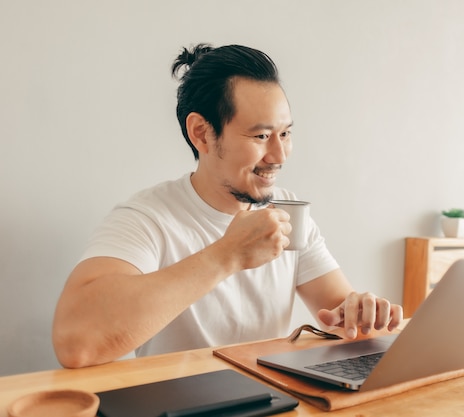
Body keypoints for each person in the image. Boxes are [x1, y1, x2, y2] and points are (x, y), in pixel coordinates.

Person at [52, 43, 403, 369]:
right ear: (202, 133)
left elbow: (341, 317)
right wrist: (227, 254)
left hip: (272, 399)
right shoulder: (147, 218)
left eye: (285, 134)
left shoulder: (291, 212)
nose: (279, 155)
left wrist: (361, 313)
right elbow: (75, 343)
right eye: (261, 136)